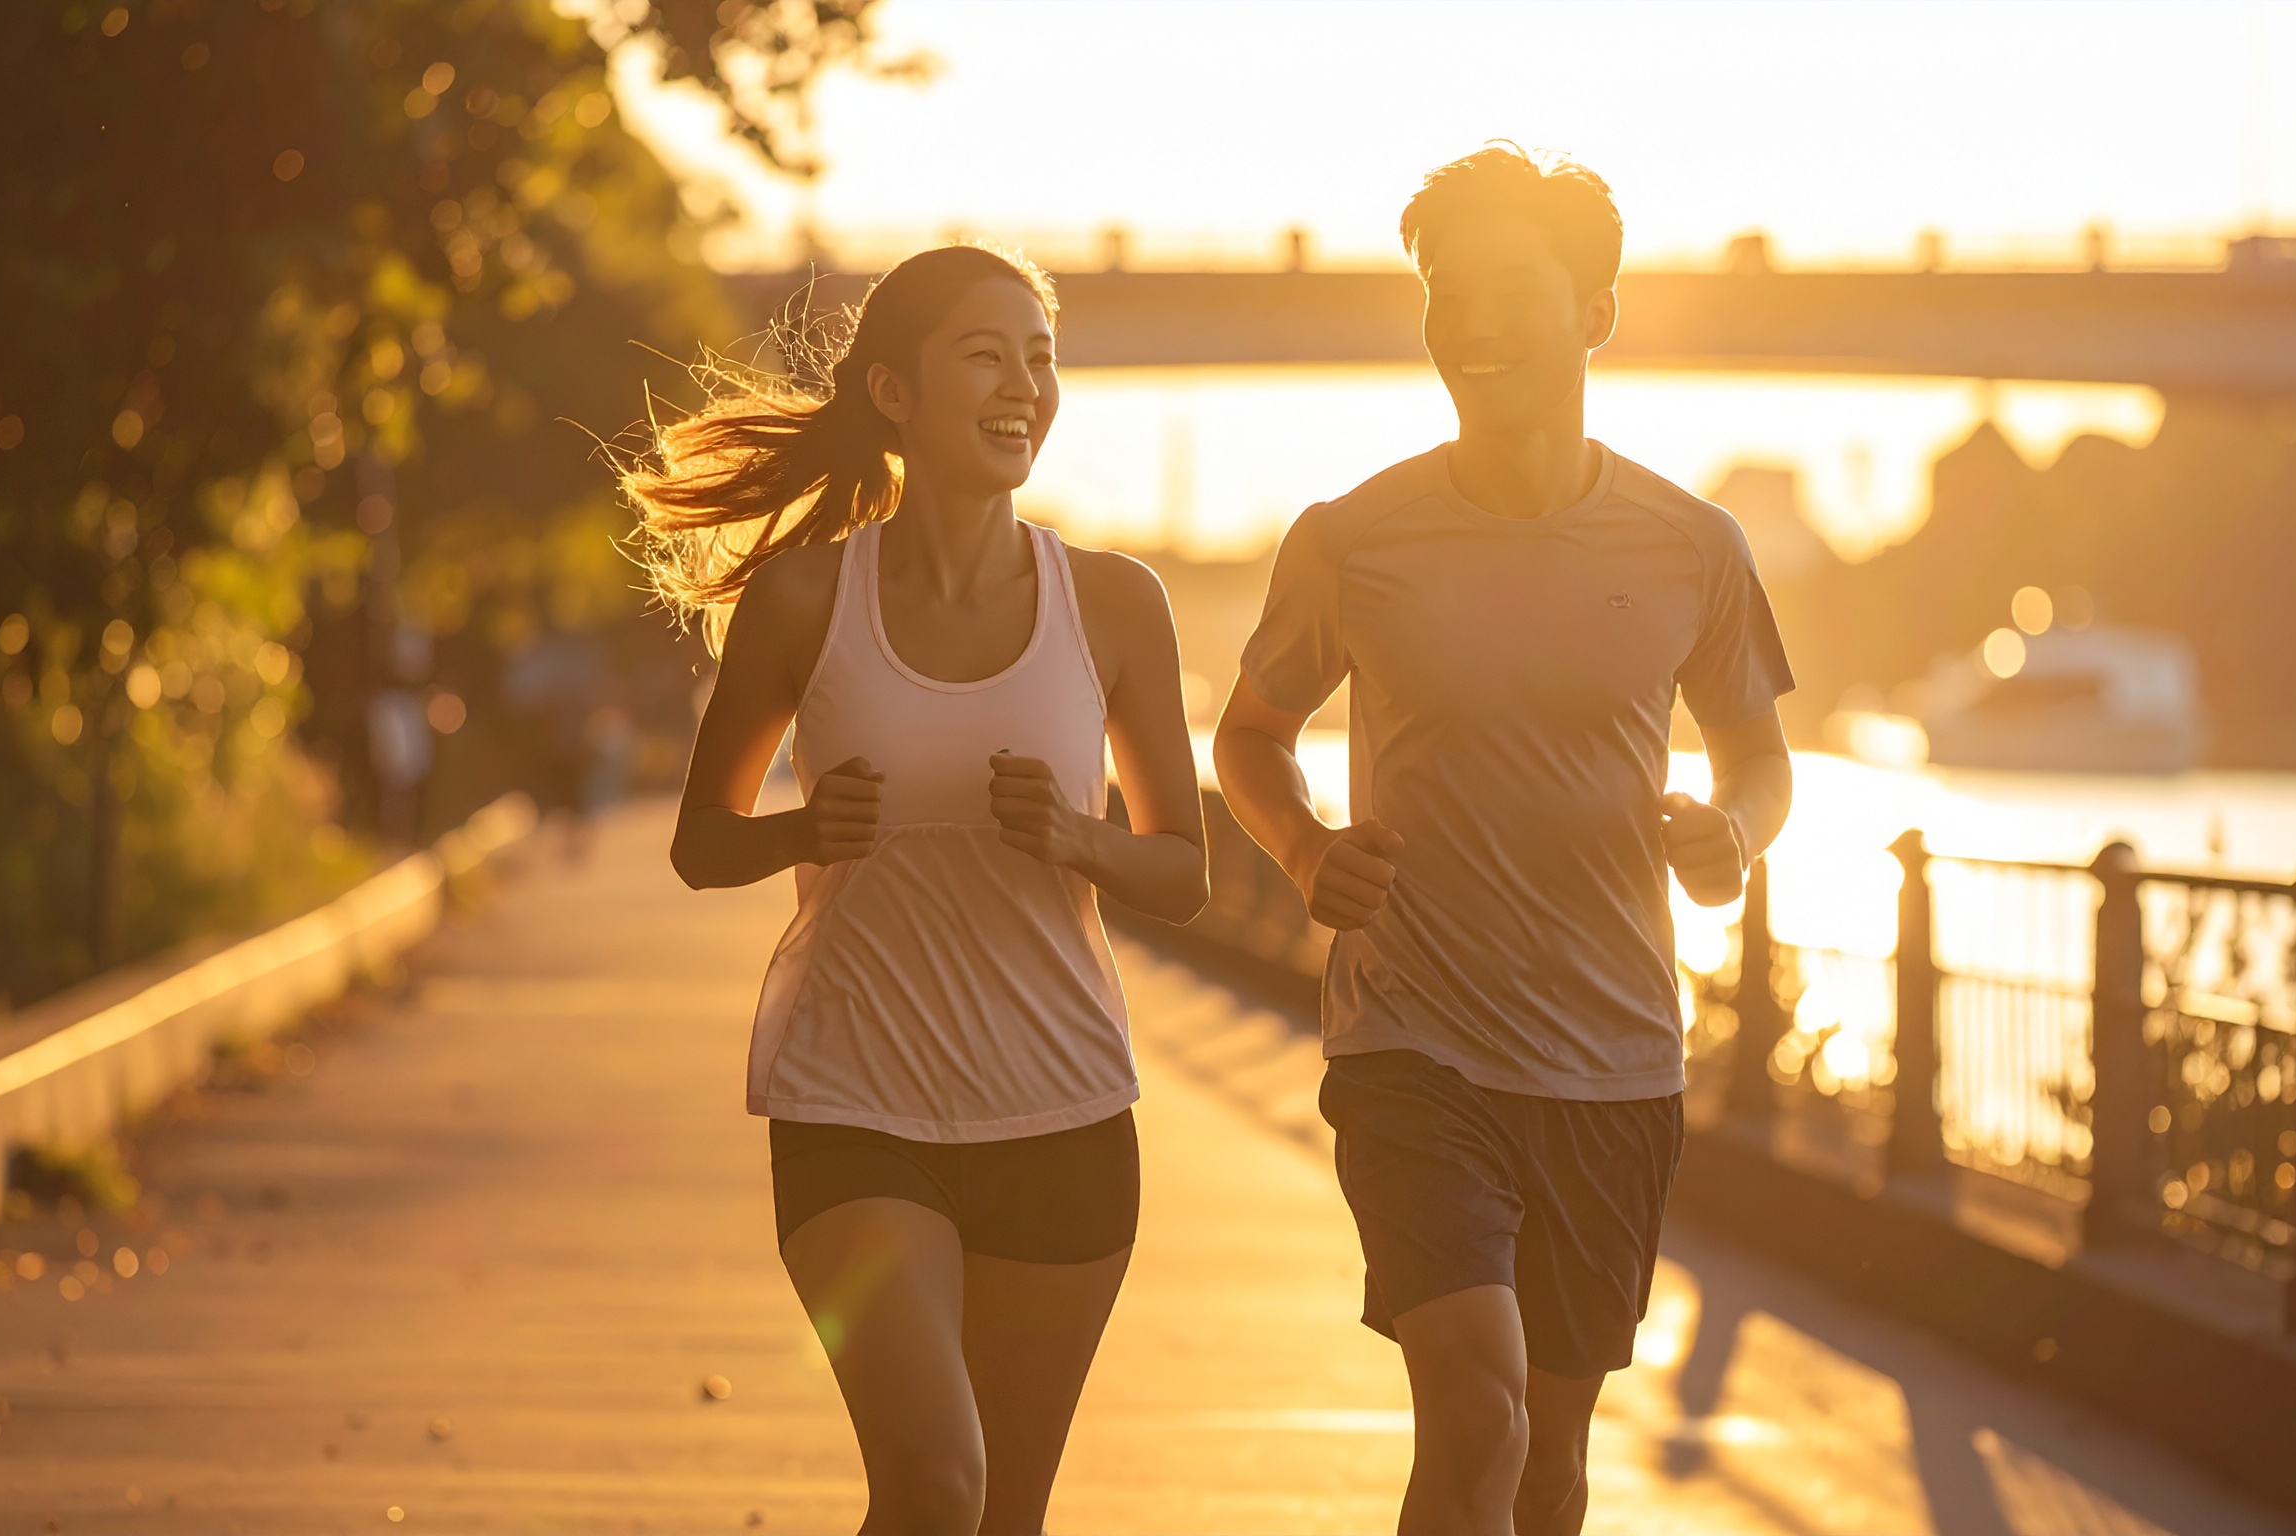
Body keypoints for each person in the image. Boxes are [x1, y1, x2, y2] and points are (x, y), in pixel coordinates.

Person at [1212, 146, 1796, 1536]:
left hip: (1612, 1064)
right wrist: (1302, 854)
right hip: (1412, 1045)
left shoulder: (1694, 545)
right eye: (1442, 290)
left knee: (1548, 1464)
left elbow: (1761, 762)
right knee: (1477, 1407)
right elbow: (1246, 737)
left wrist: (1734, 836)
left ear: (1596, 311)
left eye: (1507, 291)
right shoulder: (1353, 538)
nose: (1468, 321)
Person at [625, 245, 1208, 1536]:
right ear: (893, 392)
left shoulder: (1114, 605)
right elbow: (699, 841)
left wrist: (1079, 838)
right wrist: (802, 833)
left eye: (1042, 358)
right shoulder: (806, 599)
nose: (1025, 385)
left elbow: (1185, 872)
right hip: (856, 1106)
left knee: (1003, 1514)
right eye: (988, 355)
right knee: (937, 1482)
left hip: (1060, 1115)